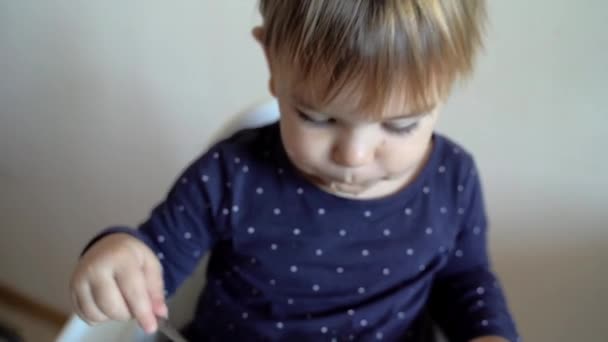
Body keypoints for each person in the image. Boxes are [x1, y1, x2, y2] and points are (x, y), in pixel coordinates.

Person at [70, 1, 520, 341]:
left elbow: (464, 279)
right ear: (272, 63)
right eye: (318, 118)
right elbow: (153, 259)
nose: (354, 155)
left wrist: (488, 333)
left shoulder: (453, 180)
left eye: (400, 125)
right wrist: (118, 254)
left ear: (446, 87)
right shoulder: (231, 175)